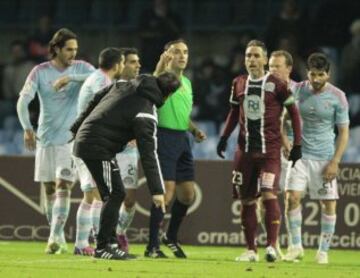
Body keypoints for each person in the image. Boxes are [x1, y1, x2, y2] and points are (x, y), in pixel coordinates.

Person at [72, 72, 181, 260]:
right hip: (97, 145)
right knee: (114, 194)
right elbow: (149, 154)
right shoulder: (146, 112)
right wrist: (157, 190)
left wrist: (77, 126)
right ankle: (103, 247)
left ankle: (111, 244)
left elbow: (97, 98)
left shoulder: (123, 84)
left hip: (93, 141)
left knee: (115, 193)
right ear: (169, 95)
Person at [216, 40, 302, 262]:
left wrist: (298, 144)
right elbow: (234, 113)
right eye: (248, 56)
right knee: (246, 201)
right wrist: (224, 137)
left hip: (269, 153)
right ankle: (251, 250)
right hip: (244, 152)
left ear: (265, 59)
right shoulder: (238, 83)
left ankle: (272, 246)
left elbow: (294, 113)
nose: (251, 60)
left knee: (268, 194)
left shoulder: (277, 84)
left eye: (256, 56)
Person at [16, 28, 95, 254]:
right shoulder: (39, 71)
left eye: (75, 49)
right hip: (46, 138)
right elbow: (23, 101)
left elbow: (100, 77)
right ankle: (58, 236)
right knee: (49, 188)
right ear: (57, 49)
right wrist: (27, 129)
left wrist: (70, 77)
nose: (73, 53)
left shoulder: (82, 68)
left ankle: (52, 237)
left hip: (71, 139)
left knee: (63, 185)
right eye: (69, 49)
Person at [284, 53, 349, 264]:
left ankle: (323, 252)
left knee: (328, 204)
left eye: (321, 74)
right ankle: (295, 247)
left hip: (324, 157)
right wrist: (287, 144)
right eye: (313, 74)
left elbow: (344, 132)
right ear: (307, 73)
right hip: (299, 155)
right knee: (291, 198)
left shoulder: (338, 97)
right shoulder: (296, 91)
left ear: (328, 74)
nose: (316, 79)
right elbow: (280, 121)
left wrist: (335, 161)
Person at [145, 39, 207, 258]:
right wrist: (160, 66)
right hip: (163, 137)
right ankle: (152, 246)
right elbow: (149, 89)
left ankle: (170, 237)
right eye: (176, 52)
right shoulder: (161, 78)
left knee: (188, 195)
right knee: (166, 193)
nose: (182, 56)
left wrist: (193, 130)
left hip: (182, 139)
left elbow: (183, 113)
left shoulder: (188, 83)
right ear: (167, 55)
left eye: (185, 52)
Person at [73, 47, 125, 256]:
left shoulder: (96, 77)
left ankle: (84, 243)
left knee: (93, 194)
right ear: (117, 64)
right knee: (96, 194)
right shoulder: (102, 83)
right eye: (123, 63)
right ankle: (94, 243)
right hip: (90, 143)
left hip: (85, 141)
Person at [267, 50, 298, 256]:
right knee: (266, 198)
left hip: (293, 152)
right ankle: (273, 244)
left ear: (288, 68)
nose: (273, 70)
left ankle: (295, 245)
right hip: (269, 150)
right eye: (270, 67)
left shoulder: (299, 90)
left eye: (277, 66)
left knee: (293, 198)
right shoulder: (263, 89)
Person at [115, 47, 142, 253]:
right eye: (132, 61)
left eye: (138, 61)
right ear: (121, 64)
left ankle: (120, 231)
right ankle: (100, 235)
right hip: (108, 148)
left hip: (129, 151)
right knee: (105, 197)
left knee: (130, 199)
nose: (137, 65)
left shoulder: (139, 89)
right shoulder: (108, 86)